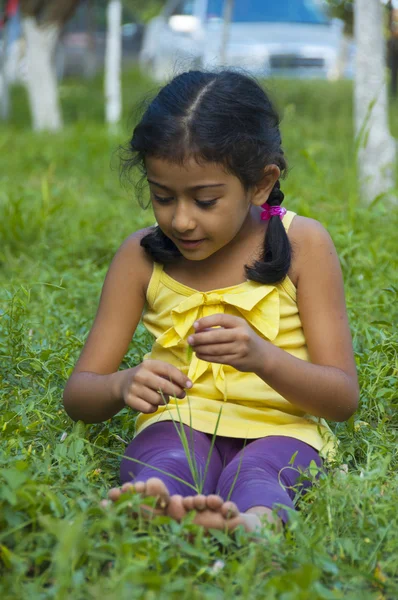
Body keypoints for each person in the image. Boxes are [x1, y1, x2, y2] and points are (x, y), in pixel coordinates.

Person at [63, 70, 359, 533]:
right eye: (163, 197)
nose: (181, 221)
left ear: (261, 184)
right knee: (168, 458)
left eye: (205, 201)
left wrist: (263, 358)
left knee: (260, 473)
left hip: (284, 431)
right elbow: (79, 395)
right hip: (177, 421)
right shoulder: (139, 258)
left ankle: (255, 525)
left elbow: (341, 398)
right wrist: (121, 386)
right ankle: (152, 506)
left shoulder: (305, 244)